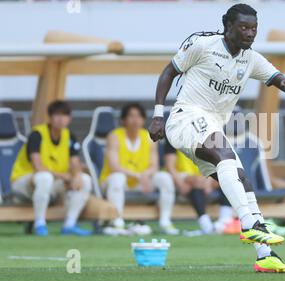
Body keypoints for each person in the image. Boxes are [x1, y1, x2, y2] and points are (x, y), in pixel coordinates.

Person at [149, 3, 285, 273]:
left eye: (254, 28)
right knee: (227, 157)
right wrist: (158, 115)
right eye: (243, 27)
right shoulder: (203, 44)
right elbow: (168, 72)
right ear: (227, 26)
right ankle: (249, 225)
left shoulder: (250, 58)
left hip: (211, 127)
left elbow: (277, 77)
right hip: (185, 118)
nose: (250, 33)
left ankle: (266, 255)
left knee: (241, 178)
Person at [10, 100, 91, 236]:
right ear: (50, 117)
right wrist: (64, 176)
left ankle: (69, 224)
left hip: (51, 183)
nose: (61, 119)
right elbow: (38, 166)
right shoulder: (37, 135)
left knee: (85, 179)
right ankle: (40, 223)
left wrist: (76, 175)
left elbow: (75, 163)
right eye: (57, 115)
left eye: (65, 115)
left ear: (69, 118)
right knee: (44, 177)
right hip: (23, 183)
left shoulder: (69, 136)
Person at [100, 103, 179, 235]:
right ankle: (117, 221)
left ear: (143, 120)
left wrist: (145, 176)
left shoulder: (148, 136)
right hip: (115, 182)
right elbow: (114, 167)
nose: (135, 120)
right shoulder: (114, 136)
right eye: (131, 116)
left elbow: (154, 166)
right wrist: (140, 176)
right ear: (123, 120)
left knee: (165, 177)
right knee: (117, 178)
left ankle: (165, 221)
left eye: (138, 116)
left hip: (141, 182)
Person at [163, 139, 235, 235]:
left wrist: (209, 181)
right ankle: (206, 225)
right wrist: (180, 183)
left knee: (226, 179)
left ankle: (225, 222)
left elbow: (215, 163)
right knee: (195, 185)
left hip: (204, 177)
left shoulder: (206, 136)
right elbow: (170, 166)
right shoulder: (173, 136)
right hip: (182, 177)